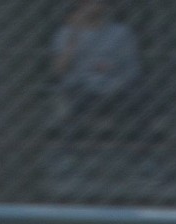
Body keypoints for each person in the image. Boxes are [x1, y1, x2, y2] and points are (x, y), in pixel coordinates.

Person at [53, 0, 141, 130]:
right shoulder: (66, 33)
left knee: (135, 94)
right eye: (84, 3)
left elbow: (131, 69)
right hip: (80, 89)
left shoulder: (120, 32)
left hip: (114, 86)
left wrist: (112, 70)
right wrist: (75, 34)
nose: (89, 6)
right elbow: (59, 70)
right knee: (76, 96)